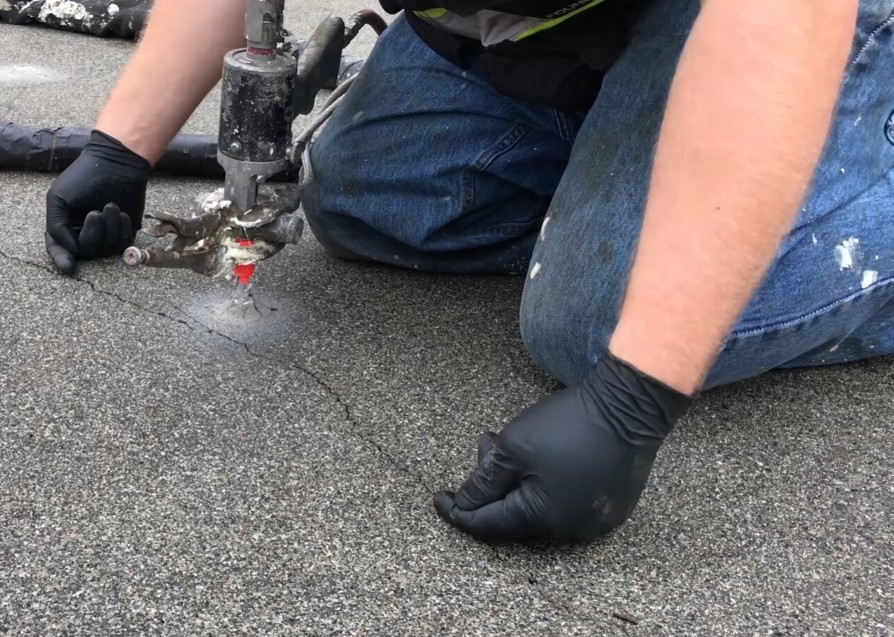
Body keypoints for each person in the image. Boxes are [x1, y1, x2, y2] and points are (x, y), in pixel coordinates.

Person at [43, 0, 892, 542]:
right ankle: (641, 149)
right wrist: (123, 145)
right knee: (368, 200)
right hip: (552, 21)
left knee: (596, 324)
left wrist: (642, 389)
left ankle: (826, 170)